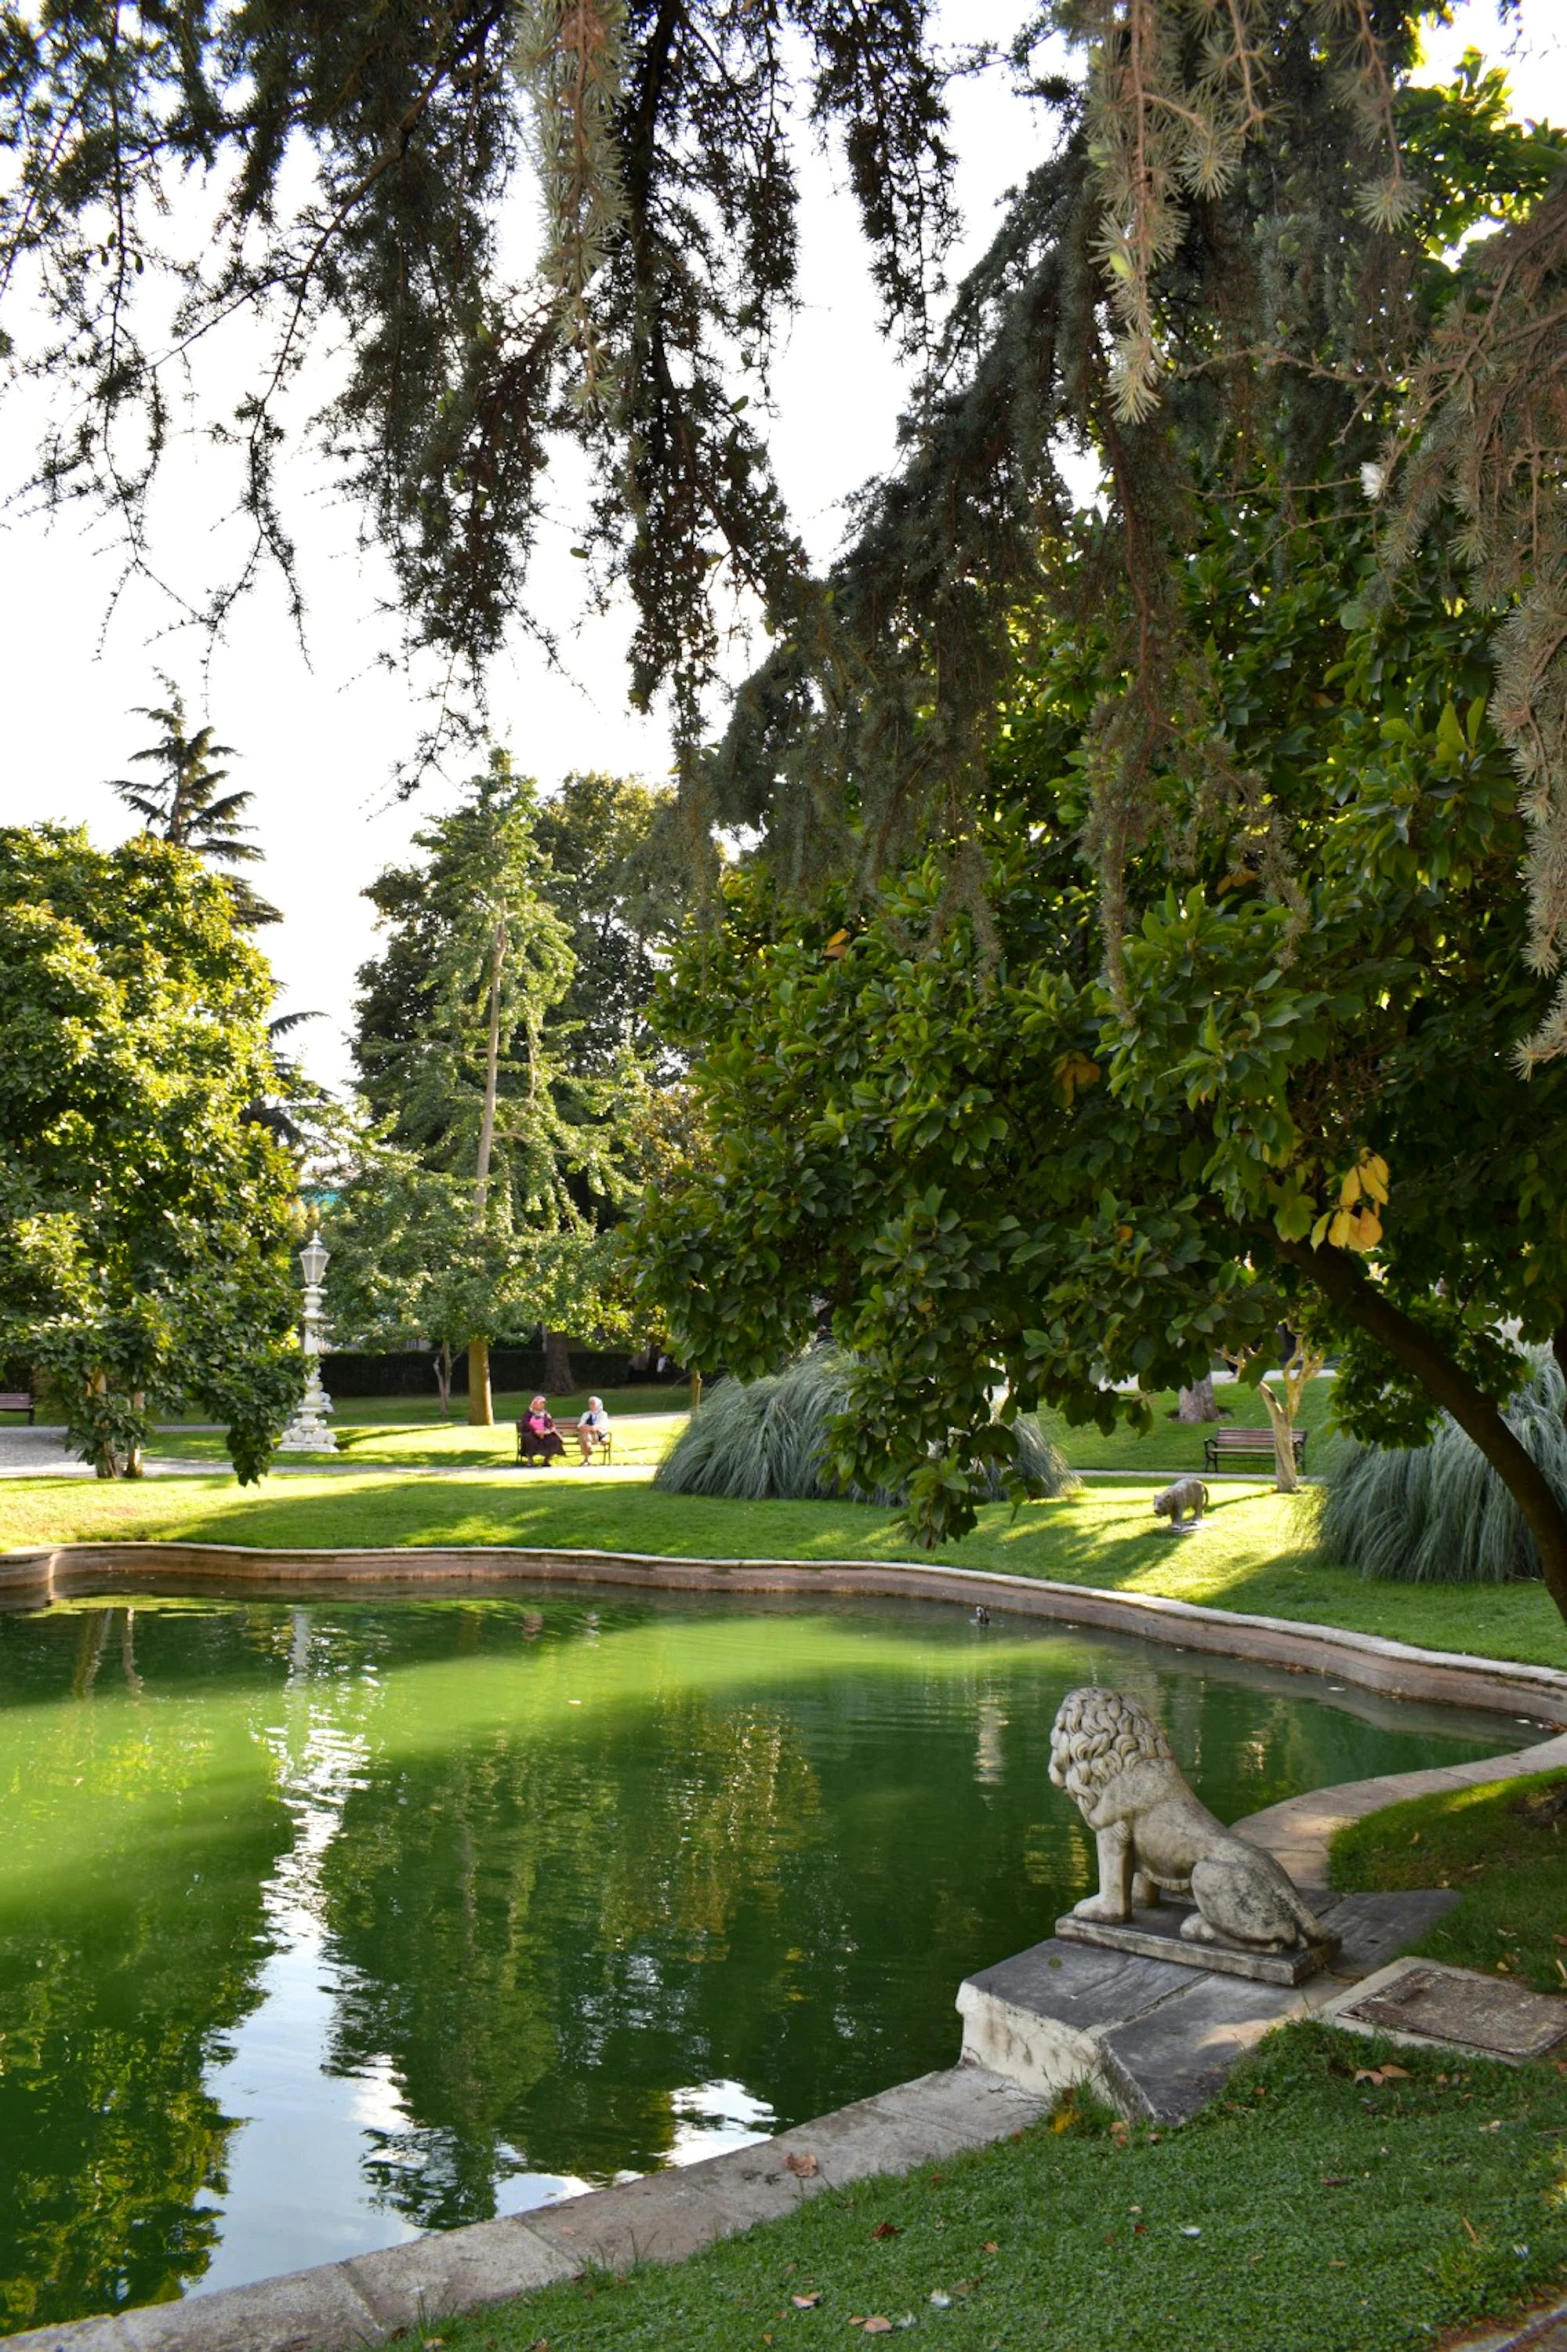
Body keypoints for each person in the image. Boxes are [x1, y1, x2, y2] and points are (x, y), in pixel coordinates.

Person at [518, 1395, 565, 1463]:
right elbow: (525, 1423)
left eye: (543, 1403)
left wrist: (546, 1431)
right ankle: (530, 1459)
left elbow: (550, 1424)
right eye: (541, 1403)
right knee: (527, 1438)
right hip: (531, 1433)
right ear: (535, 1404)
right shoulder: (528, 1413)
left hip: (544, 1434)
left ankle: (546, 1460)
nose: (543, 1405)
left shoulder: (545, 1414)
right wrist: (535, 1431)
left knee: (555, 1439)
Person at [576, 1395, 613, 1464]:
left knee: (583, 1436)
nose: (590, 1405)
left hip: (598, 1435)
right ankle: (588, 1448)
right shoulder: (586, 1414)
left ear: (598, 1405)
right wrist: (586, 1428)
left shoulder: (603, 1414)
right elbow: (579, 1426)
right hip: (587, 1436)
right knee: (584, 1435)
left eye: (593, 1403)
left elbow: (599, 1426)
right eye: (590, 1403)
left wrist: (587, 1428)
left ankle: (586, 1459)